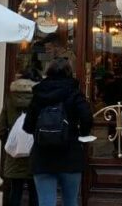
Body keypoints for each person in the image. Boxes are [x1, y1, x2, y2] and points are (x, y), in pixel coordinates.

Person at [23, 57, 92, 206]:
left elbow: (27, 126)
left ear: (48, 71)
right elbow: (86, 116)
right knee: (71, 201)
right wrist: (83, 134)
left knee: (46, 202)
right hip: (70, 155)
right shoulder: (74, 92)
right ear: (69, 72)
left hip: (42, 157)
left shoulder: (39, 94)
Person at [0, 67, 41, 206]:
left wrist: (10, 142)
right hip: (35, 152)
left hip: (14, 153)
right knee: (35, 191)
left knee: (15, 190)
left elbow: (1, 127)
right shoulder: (39, 98)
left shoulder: (10, 98)